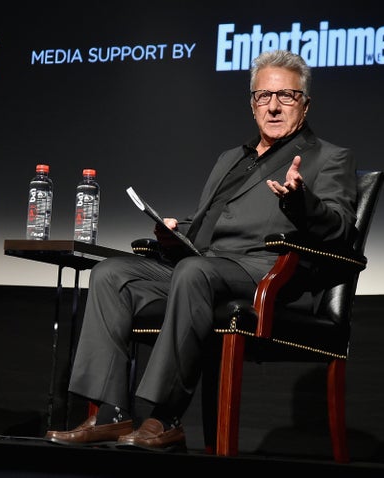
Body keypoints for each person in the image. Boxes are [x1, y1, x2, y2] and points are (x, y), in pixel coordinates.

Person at [44, 49, 358, 451]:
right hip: (207, 268)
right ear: (252, 104)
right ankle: (110, 413)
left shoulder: (329, 157)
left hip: (267, 275)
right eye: (264, 96)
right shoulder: (231, 158)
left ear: (305, 103)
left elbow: (340, 228)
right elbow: (209, 224)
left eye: (287, 97)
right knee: (111, 274)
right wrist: (178, 232)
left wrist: (301, 201)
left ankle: (161, 416)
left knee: (194, 272)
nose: (274, 107)